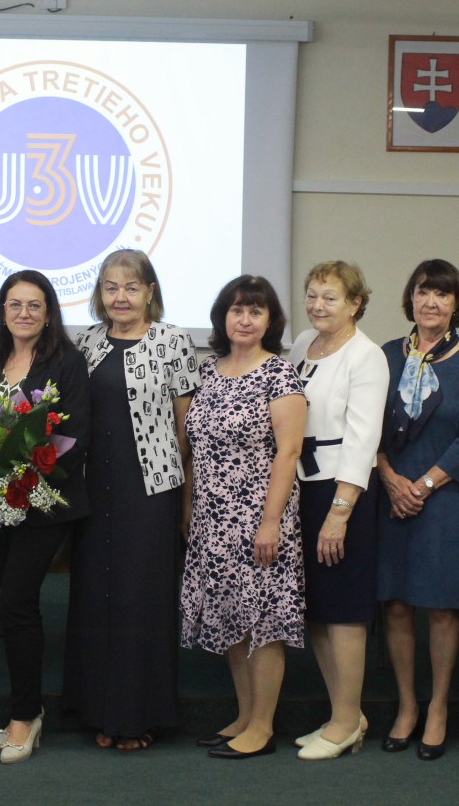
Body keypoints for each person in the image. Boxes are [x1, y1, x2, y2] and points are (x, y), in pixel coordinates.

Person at [65, 249, 200, 752]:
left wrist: (186, 495)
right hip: (92, 488)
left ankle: (139, 714)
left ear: (149, 292)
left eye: (131, 287)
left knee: (139, 598)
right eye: (111, 287)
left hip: (151, 489)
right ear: (100, 294)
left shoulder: (174, 341)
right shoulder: (86, 342)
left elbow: (186, 427)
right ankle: (98, 709)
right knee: (95, 596)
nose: (120, 297)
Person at [181, 275, 307, 761]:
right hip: (212, 519)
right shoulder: (209, 371)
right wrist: (190, 509)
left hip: (259, 518)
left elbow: (288, 452)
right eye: (237, 310)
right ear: (223, 316)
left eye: (256, 311)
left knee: (261, 620)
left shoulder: (279, 374)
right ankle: (245, 714)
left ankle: (263, 726)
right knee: (231, 616)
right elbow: (195, 450)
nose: (246, 319)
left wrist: (270, 522)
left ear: (270, 321)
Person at [0, 270, 90, 765]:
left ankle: (25, 715)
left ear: (48, 313)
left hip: (45, 505)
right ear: (3, 310)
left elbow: (75, 437)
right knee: (13, 606)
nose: (24, 313)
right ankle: (27, 708)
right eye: (15, 304)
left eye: (34, 305)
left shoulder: (67, 362)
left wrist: (23, 487)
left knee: (19, 600)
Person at [375, 258, 459, 761]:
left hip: (443, 498)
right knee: (396, 603)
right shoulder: (385, 355)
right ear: (411, 298)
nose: (431, 302)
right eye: (423, 291)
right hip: (389, 495)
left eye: (442, 294)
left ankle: (439, 706)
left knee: (442, 605)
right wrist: (389, 478)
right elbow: (366, 427)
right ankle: (407, 705)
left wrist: (422, 486)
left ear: (456, 304)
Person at [288, 262, 389, 760]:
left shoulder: (366, 356)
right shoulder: (302, 343)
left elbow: (363, 440)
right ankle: (343, 714)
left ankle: (347, 721)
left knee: (345, 610)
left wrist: (340, 512)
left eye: (330, 297)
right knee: (317, 609)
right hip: (301, 487)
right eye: (312, 295)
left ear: (355, 303)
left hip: (342, 490)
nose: (317, 305)